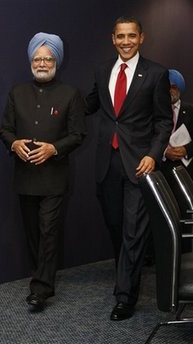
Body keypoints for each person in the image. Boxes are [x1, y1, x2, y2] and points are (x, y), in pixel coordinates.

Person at [86, 16, 172, 320]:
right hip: (106, 164)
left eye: (131, 36)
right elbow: (90, 105)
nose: (126, 42)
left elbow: (163, 121)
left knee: (134, 231)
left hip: (139, 164)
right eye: (120, 37)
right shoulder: (101, 71)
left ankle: (125, 296)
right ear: (112, 38)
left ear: (141, 38)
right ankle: (130, 268)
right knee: (116, 226)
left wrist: (153, 154)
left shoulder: (156, 74)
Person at [0, 32, 86, 311]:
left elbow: (78, 134)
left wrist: (54, 149)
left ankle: (41, 289)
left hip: (54, 178)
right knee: (33, 234)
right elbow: (5, 129)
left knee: (48, 231)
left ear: (56, 62)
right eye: (37, 58)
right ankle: (41, 276)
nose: (42, 63)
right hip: (24, 178)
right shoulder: (17, 92)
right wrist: (13, 143)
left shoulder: (71, 94)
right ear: (30, 61)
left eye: (48, 58)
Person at [161, 69, 193, 179]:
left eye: (173, 87)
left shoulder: (191, 110)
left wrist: (186, 150)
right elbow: (145, 138)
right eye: (166, 87)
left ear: (179, 89)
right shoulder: (153, 111)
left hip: (186, 171)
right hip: (160, 170)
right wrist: (164, 152)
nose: (169, 91)